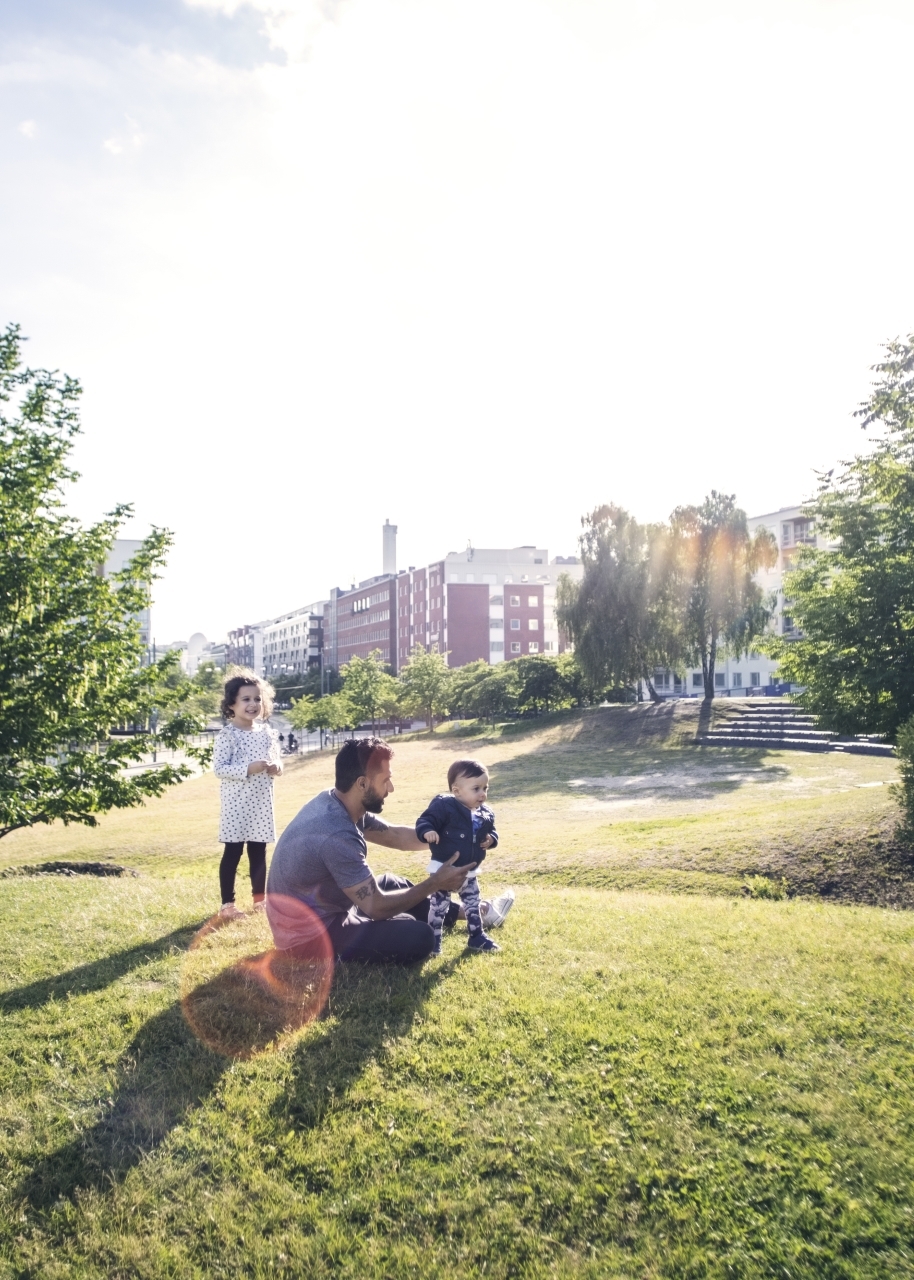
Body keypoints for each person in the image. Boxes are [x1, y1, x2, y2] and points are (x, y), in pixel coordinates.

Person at [266, 738, 474, 963]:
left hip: (328, 909)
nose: (391, 789)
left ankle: (474, 912)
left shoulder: (339, 800)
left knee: (394, 883)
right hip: (308, 937)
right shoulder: (336, 833)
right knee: (420, 937)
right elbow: (376, 907)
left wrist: (455, 839)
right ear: (362, 784)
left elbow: (395, 835)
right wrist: (435, 883)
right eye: (386, 781)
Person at [213, 671, 282, 921]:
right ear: (232, 704)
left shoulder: (267, 733)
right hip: (236, 806)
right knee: (232, 853)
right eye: (245, 699)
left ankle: (259, 901)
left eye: (257, 699)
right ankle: (227, 905)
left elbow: (278, 762)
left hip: (261, 805)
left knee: (258, 852)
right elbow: (219, 769)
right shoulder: (228, 735)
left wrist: (276, 767)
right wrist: (247, 768)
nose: (253, 704)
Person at [417, 758, 499, 954]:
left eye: (485, 788)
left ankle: (476, 936)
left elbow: (492, 831)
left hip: (469, 871)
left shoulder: (485, 813)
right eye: (476, 788)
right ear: (456, 791)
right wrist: (427, 831)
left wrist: (492, 839)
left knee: (473, 905)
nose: (482, 794)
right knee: (439, 907)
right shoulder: (444, 806)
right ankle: (433, 941)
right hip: (443, 870)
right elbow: (425, 820)